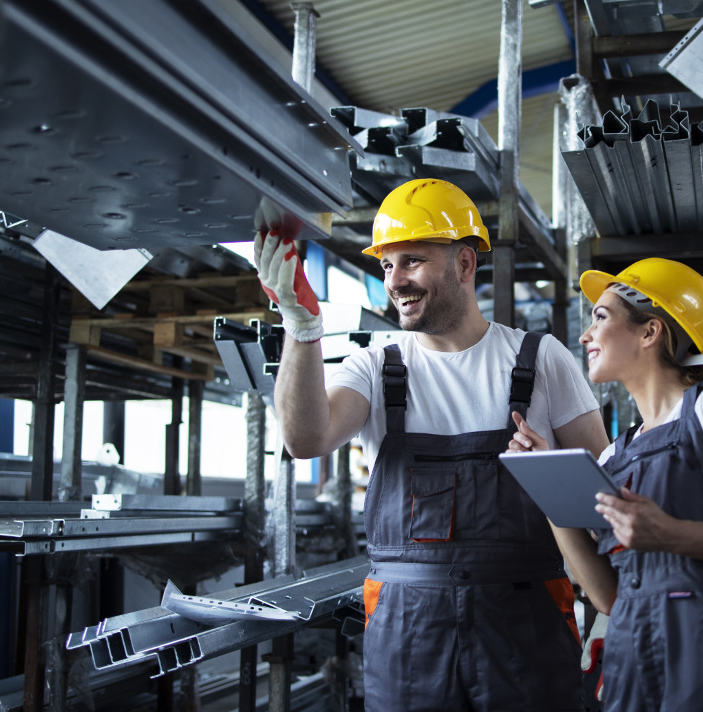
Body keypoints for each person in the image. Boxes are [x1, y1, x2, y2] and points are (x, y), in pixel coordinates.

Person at [254, 177, 609, 711]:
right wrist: (301, 327)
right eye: (386, 266)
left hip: (525, 626)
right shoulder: (375, 367)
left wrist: (612, 608)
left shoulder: (542, 359)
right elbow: (304, 440)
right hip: (408, 634)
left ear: (465, 264)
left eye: (413, 261)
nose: (395, 281)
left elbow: (599, 499)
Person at [509, 257, 703, 712]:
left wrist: (671, 534)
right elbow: (607, 595)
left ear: (650, 332)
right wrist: (547, 487)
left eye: (600, 318)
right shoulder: (616, 454)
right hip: (635, 657)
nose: (586, 336)